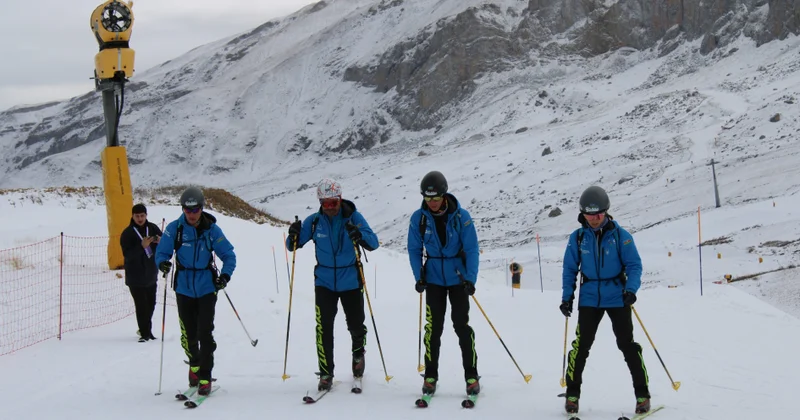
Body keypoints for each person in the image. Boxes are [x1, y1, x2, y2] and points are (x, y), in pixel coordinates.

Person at [560, 185, 650, 414]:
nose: (594, 219)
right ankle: (572, 394)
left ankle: (642, 395)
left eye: (598, 214)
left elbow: (634, 265)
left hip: (617, 296)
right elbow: (570, 269)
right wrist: (567, 297)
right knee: (580, 347)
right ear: (583, 214)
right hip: (589, 297)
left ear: (606, 212)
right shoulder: (578, 238)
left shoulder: (621, 236)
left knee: (627, 346)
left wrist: (631, 289)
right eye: (590, 214)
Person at [285, 178, 379, 391]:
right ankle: (326, 372)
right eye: (325, 203)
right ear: (320, 202)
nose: (330, 208)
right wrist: (293, 234)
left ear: (340, 199)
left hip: (351, 281)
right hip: (324, 282)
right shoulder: (315, 221)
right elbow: (292, 246)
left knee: (356, 325)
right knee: (323, 328)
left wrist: (359, 234)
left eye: (333, 203)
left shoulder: (353, 217)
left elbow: (373, 243)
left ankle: (358, 354)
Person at [155, 187, 236, 396]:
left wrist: (224, 276)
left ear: (202, 208)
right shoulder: (175, 229)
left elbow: (228, 255)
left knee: (205, 333)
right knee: (189, 334)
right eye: (187, 210)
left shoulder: (211, 230)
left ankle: (205, 376)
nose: (192, 214)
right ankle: (195, 365)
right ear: (182, 209)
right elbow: (162, 251)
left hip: (207, 287)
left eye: (196, 209)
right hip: (183, 287)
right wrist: (162, 263)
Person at [407, 171, 481, 397]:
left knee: (462, 327)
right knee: (433, 329)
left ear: (444, 194)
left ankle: (471, 375)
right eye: (427, 199)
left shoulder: (462, 217)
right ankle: (430, 376)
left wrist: (470, 278)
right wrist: (418, 276)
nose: (432, 203)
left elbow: (471, 249)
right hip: (434, 280)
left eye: (436, 198)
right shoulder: (418, 219)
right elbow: (414, 249)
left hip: (458, 279)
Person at [120, 203, 162, 342]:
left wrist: (160, 241)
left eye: (142, 215)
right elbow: (127, 255)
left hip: (151, 274)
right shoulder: (128, 233)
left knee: (151, 304)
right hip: (135, 277)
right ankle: (145, 333)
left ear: (146, 215)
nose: (140, 218)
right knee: (141, 305)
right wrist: (141, 247)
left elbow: (163, 244)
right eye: (137, 216)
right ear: (132, 216)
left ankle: (146, 330)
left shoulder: (153, 228)